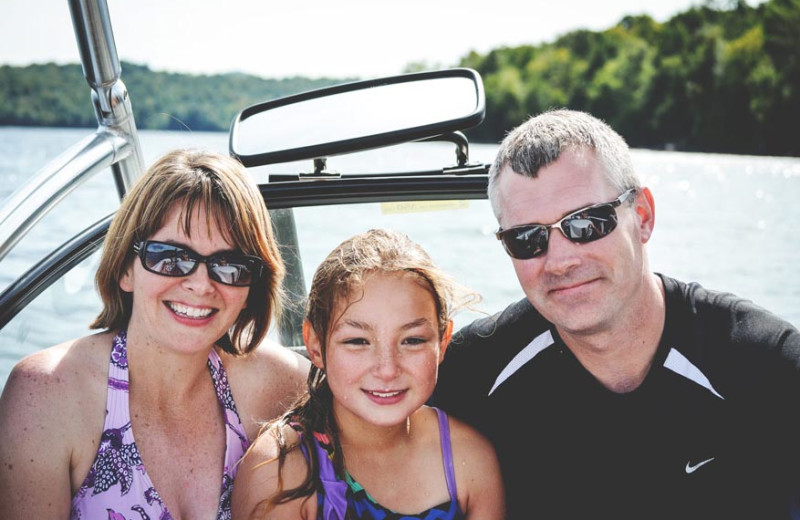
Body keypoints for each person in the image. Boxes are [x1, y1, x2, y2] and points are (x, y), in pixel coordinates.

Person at [430, 109, 800, 519]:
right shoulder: (470, 373)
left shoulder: (766, 365)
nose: (560, 261)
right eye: (527, 238)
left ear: (642, 216)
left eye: (586, 223)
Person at [0, 149, 310, 519]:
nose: (200, 284)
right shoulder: (48, 395)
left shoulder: (280, 384)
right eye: (171, 257)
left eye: (229, 266)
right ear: (125, 269)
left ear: (250, 291)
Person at [231, 229, 505, 520]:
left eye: (412, 340)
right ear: (315, 345)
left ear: (443, 341)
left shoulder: (469, 458)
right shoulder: (281, 472)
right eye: (357, 342)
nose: (387, 370)